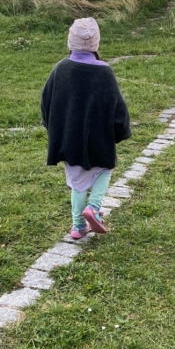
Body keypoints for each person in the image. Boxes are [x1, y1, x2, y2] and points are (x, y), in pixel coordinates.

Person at [41, 18, 132, 240]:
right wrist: (121, 131)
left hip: (68, 137)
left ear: (70, 41)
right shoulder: (105, 72)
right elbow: (118, 107)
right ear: (96, 43)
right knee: (105, 169)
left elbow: (46, 101)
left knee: (77, 181)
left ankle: (78, 226)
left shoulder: (60, 69)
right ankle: (94, 207)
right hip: (99, 137)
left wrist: (52, 128)